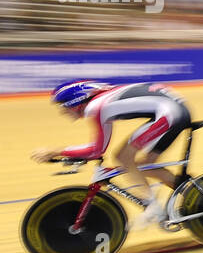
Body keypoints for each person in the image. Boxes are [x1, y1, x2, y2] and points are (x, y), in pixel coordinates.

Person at [31, 80, 192, 227]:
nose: (62, 111)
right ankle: (193, 194)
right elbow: (98, 148)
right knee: (142, 166)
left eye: (63, 106)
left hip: (171, 112)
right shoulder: (102, 102)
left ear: (75, 101)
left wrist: (55, 151)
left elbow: (97, 150)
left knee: (124, 158)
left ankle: (153, 207)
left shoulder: (97, 107)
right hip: (172, 109)